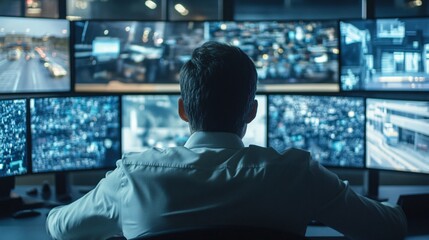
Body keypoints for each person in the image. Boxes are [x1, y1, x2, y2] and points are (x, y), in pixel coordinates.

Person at [46, 41, 407, 240]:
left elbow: (59, 228)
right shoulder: (298, 174)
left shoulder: (134, 176)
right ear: (251, 111)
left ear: (183, 110)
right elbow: (388, 229)